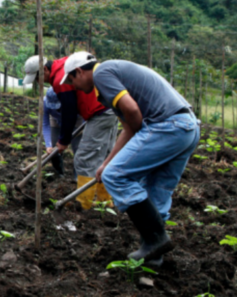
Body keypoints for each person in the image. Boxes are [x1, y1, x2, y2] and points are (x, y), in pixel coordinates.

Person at [62, 52, 200, 266]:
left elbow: (133, 113)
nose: (75, 87)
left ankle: (156, 239)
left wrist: (111, 168)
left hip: (167, 126)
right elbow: (128, 127)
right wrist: (106, 162)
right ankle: (153, 259)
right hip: (186, 127)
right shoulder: (110, 78)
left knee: (116, 177)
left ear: (79, 71)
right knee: (156, 191)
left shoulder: (102, 74)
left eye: (72, 80)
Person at [23, 55, 117, 209]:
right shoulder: (62, 65)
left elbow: (69, 111)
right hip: (109, 108)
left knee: (84, 158)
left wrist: (63, 141)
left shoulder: (60, 80)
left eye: (38, 78)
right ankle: (104, 202)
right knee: (103, 158)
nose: (39, 82)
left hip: (99, 112)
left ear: (45, 69)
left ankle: (84, 204)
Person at [42, 87, 65, 175]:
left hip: (75, 119)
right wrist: (48, 145)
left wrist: (65, 139)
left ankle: (77, 176)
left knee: (78, 148)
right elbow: (45, 124)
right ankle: (60, 174)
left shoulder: (69, 100)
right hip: (55, 119)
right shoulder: (45, 103)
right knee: (53, 149)